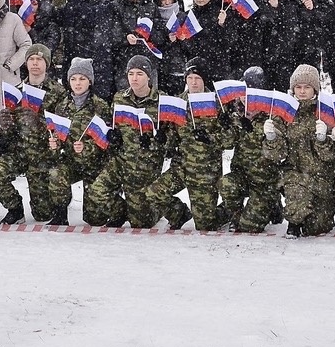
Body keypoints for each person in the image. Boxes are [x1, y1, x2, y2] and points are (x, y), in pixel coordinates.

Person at [146, 57, 234, 230]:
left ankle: (229, 210)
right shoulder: (178, 103)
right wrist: (163, 135)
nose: (193, 82)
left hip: (206, 170)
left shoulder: (217, 104)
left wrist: (212, 136)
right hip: (183, 166)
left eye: (198, 78)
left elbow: (229, 141)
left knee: (205, 225)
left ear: (204, 80)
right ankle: (179, 214)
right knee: (153, 193)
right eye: (190, 78)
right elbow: (171, 142)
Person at [83, 55, 168, 228]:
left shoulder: (162, 101)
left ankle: (165, 208)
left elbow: (173, 137)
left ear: (149, 76)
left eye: (139, 74)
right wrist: (112, 135)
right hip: (121, 160)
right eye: (131, 74)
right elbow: (112, 124)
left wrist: (158, 140)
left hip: (146, 164)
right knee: (95, 192)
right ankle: (121, 211)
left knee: (141, 223)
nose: (134, 78)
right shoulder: (119, 98)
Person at [263, 63, 335, 237]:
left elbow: (329, 155)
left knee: (316, 228)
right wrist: (271, 138)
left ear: (315, 89)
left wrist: (323, 139)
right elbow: (277, 155)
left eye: (307, 87)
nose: (302, 91)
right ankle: (293, 222)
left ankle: (309, 216)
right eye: (298, 87)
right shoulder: (284, 112)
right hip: (295, 174)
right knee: (297, 205)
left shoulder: (326, 112)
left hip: (322, 177)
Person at [0, 44, 65, 224]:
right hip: (19, 151)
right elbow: (10, 132)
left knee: (43, 214)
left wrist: (39, 123)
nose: (35, 63)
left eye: (39, 59)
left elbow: (61, 128)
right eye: (31, 59)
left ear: (47, 63)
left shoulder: (58, 92)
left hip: (43, 154)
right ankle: (15, 209)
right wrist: (5, 123)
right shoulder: (17, 91)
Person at [44, 57, 113, 226]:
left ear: (90, 81)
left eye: (82, 78)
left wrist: (87, 148)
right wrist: (54, 144)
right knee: (56, 174)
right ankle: (61, 213)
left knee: (95, 219)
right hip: (71, 162)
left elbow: (107, 141)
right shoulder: (62, 106)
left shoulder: (100, 106)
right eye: (73, 79)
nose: (78, 83)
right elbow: (59, 134)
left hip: (95, 165)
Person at [219, 65, 279, 233]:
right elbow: (226, 144)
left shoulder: (272, 116)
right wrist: (226, 126)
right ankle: (235, 215)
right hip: (242, 176)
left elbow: (278, 152)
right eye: (243, 93)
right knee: (226, 183)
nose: (246, 98)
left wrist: (269, 135)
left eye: (252, 93)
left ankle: (272, 204)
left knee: (250, 227)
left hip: (265, 181)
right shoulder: (236, 114)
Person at [54, 0, 119, 100]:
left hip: (96, 64)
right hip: (73, 59)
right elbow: (58, 17)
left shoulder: (104, 3)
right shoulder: (74, 1)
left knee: (96, 105)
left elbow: (89, 17)